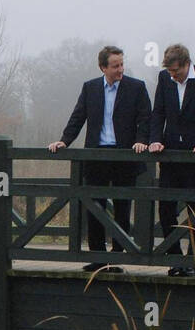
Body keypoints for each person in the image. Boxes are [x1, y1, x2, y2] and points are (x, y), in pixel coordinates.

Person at [48, 45, 151, 272]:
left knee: (123, 207)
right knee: (95, 205)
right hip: (96, 155)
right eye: (115, 66)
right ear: (103, 67)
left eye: (122, 64)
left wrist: (142, 140)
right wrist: (64, 140)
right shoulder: (90, 88)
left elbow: (145, 119)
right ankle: (97, 256)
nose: (120, 69)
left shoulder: (137, 88)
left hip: (125, 156)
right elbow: (78, 117)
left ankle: (116, 257)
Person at [148, 44, 195, 276]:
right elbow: (158, 112)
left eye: (176, 72)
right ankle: (174, 257)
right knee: (166, 208)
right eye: (170, 72)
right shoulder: (164, 78)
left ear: (186, 63)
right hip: (170, 155)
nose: (173, 76)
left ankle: (193, 260)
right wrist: (155, 139)